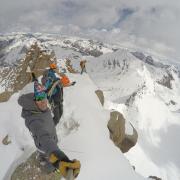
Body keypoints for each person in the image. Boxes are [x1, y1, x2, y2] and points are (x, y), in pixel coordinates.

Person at [18, 79, 80, 178]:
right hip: (46, 148)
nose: (43, 100)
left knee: (51, 158)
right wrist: (60, 158)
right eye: (39, 97)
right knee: (49, 163)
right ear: (31, 101)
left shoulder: (39, 110)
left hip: (50, 143)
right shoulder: (33, 120)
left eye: (44, 95)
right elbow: (43, 137)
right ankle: (50, 170)